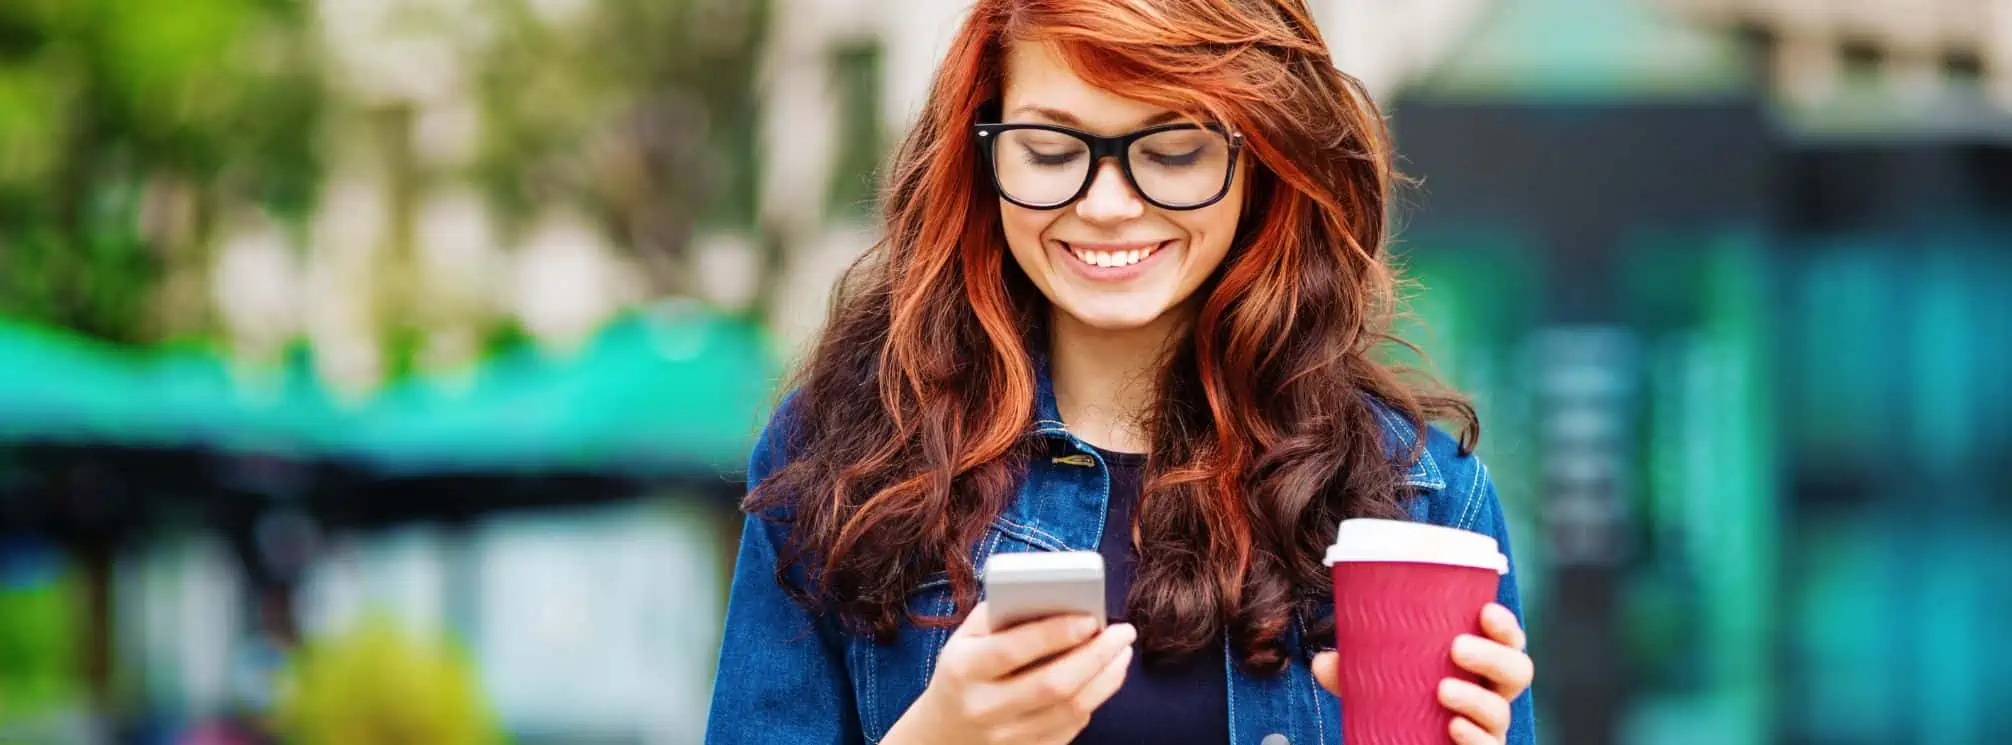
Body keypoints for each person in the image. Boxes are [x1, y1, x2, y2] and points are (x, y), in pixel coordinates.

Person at [706, 1, 1536, 743]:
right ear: (983, 147)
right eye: (1049, 147)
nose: (1106, 204)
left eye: (1174, 150)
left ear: (1265, 157)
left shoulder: (1420, 496)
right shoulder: (846, 457)